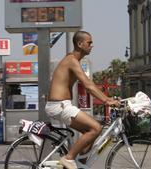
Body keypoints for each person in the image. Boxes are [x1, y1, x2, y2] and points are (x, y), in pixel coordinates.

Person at [45, 31, 120, 169]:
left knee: (90, 131)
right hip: (59, 105)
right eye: (89, 42)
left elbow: (89, 85)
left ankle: (80, 164)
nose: (92, 45)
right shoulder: (72, 60)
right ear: (80, 44)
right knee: (95, 128)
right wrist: (106, 101)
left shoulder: (73, 60)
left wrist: (108, 98)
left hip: (61, 105)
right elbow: (88, 85)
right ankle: (68, 158)